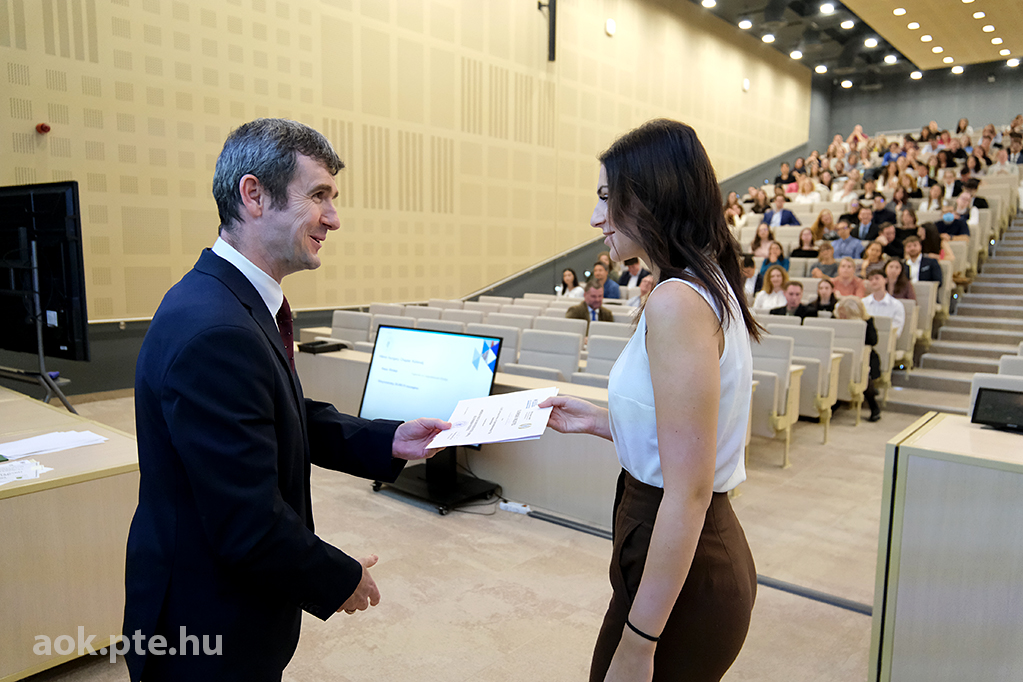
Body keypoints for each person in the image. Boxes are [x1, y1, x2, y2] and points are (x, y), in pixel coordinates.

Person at [122, 119, 451, 682]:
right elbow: (247, 521)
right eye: (318, 195)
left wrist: (387, 440)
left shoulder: (227, 302)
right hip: (203, 627)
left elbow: (278, 413)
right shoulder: (217, 329)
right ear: (254, 195)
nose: (334, 217)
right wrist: (339, 577)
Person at [541, 119, 758, 682]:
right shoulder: (697, 285)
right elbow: (687, 436)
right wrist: (600, 421)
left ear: (651, 197)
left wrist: (639, 644)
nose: (596, 218)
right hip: (672, 543)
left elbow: (688, 491)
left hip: (686, 557)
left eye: (606, 197)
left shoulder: (676, 301)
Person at [835, 297, 882, 422]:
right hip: (843, 355)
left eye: (844, 315)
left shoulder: (867, 322)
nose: (841, 317)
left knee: (863, 373)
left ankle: (874, 406)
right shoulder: (837, 322)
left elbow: (872, 341)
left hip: (865, 357)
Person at [862, 270, 906, 337]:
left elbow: (897, 330)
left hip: (888, 339)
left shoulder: (896, 305)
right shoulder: (863, 303)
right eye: (871, 279)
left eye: (877, 278)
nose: (874, 281)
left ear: (885, 280)